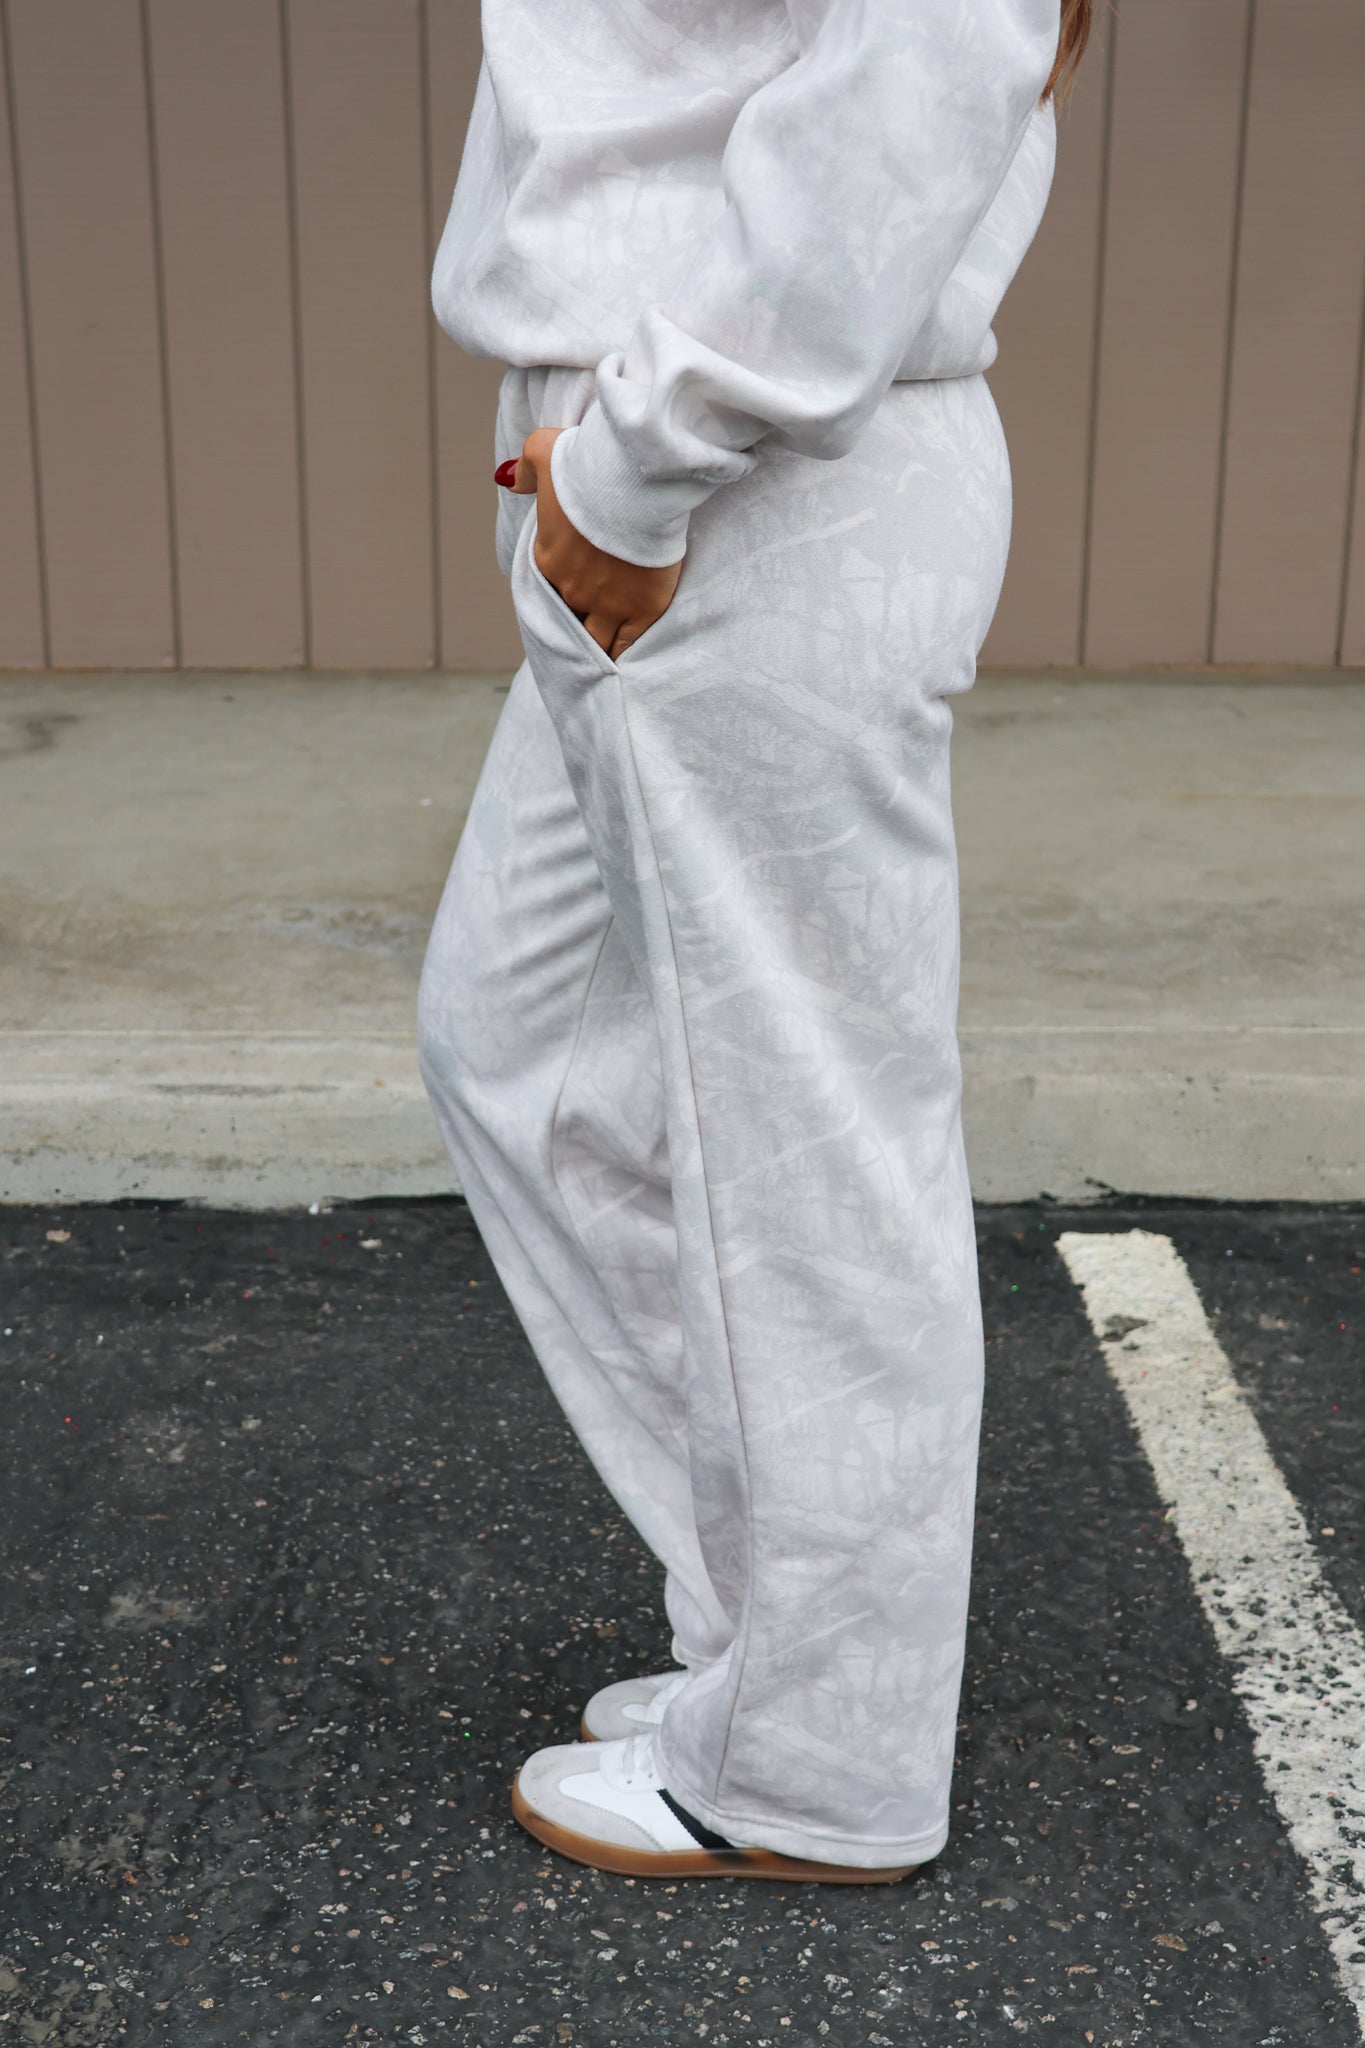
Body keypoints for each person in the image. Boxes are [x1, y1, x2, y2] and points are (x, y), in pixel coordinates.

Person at [419, 0, 1091, 1883]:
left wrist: (640, 461)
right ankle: (775, 1650)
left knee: (811, 1156)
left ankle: (816, 1764)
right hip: (664, 455)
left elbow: (934, 48)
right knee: (523, 1052)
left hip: (739, 480)